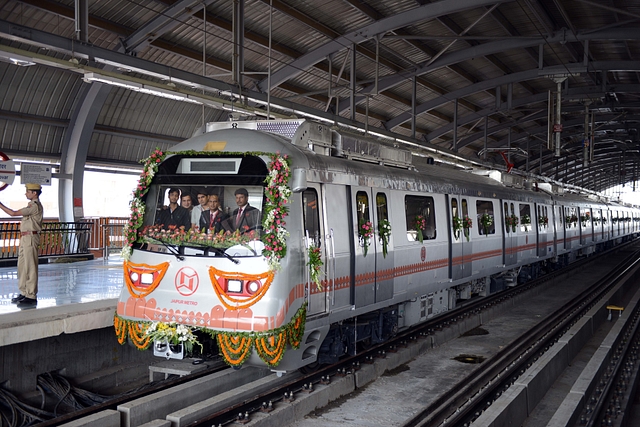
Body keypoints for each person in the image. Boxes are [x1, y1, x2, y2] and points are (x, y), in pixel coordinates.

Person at [0, 183, 44, 308]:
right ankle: (24, 292)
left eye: (28, 191)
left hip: (31, 237)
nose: (26, 193)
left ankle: (31, 295)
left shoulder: (35, 206)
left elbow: (13, 214)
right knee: (22, 266)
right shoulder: (30, 205)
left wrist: (0, 204)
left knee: (30, 266)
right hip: (25, 238)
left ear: (34, 193)